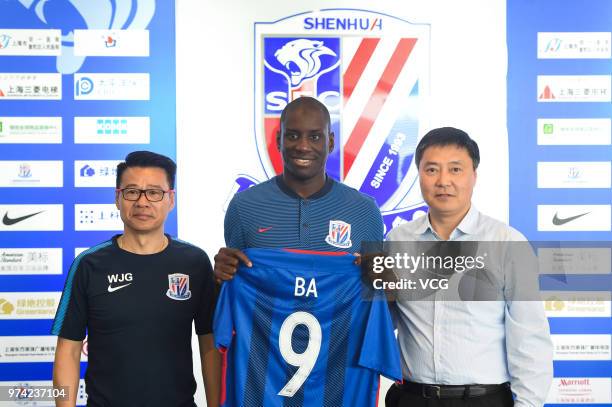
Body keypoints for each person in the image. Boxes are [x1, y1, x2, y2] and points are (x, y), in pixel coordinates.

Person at [384, 127, 553, 407]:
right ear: (419, 176)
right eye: (432, 170)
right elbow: (383, 322)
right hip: (412, 398)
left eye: (455, 169)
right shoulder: (396, 241)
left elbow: (529, 336)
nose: (443, 181)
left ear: (473, 176)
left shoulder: (506, 242)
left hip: (483, 400)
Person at [52, 151, 220, 407]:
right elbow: (68, 350)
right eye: (132, 192)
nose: (142, 202)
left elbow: (210, 345)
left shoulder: (195, 262)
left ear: (171, 199)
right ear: (117, 198)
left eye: (154, 192)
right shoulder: (88, 265)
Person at [214, 96, 383, 278]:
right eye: (293, 136)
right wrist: (218, 279)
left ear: (330, 142)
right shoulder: (244, 206)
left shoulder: (365, 211)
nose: (303, 146)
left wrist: (389, 284)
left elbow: (376, 295)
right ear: (279, 140)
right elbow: (234, 291)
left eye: (315, 137)